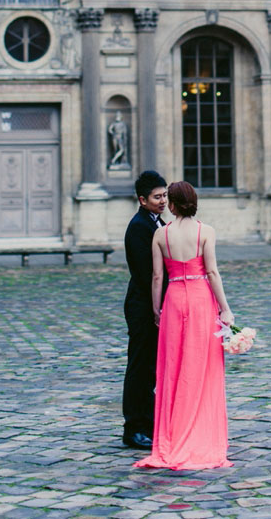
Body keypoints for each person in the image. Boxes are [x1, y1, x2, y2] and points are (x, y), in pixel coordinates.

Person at [135, 181, 234, 470]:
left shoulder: (160, 234)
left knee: (173, 369)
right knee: (202, 368)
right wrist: (225, 308)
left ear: (174, 205)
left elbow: (156, 276)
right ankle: (201, 431)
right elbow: (212, 272)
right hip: (202, 299)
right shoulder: (206, 231)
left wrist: (157, 309)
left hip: (174, 299)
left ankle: (173, 433)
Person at [122, 170, 168, 449]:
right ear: (142, 199)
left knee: (150, 367)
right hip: (142, 306)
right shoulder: (139, 226)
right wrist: (157, 307)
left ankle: (148, 422)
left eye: (164, 195)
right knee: (139, 367)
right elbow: (146, 273)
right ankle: (133, 427)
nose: (163, 201)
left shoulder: (155, 220)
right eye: (157, 197)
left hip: (153, 304)